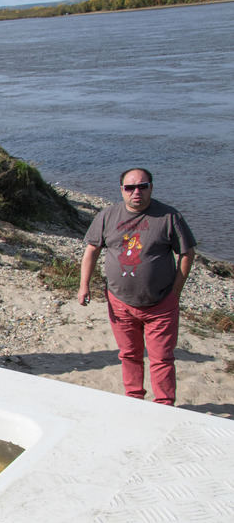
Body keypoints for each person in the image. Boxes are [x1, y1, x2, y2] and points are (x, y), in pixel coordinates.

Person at [77, 168, 196, 406]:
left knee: (161, 358)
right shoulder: (107, 216)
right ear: (121, 190)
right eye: (130, 187)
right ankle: (134, 400)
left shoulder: (169, 217)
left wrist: (175, 292)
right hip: (120, 302)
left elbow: (187, 253)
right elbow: (92, 250)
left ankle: (164, 404)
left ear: (151, 187)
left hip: (161, 303)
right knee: (129, 355)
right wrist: (84, 285)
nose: (136, 192)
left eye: (142, 186)